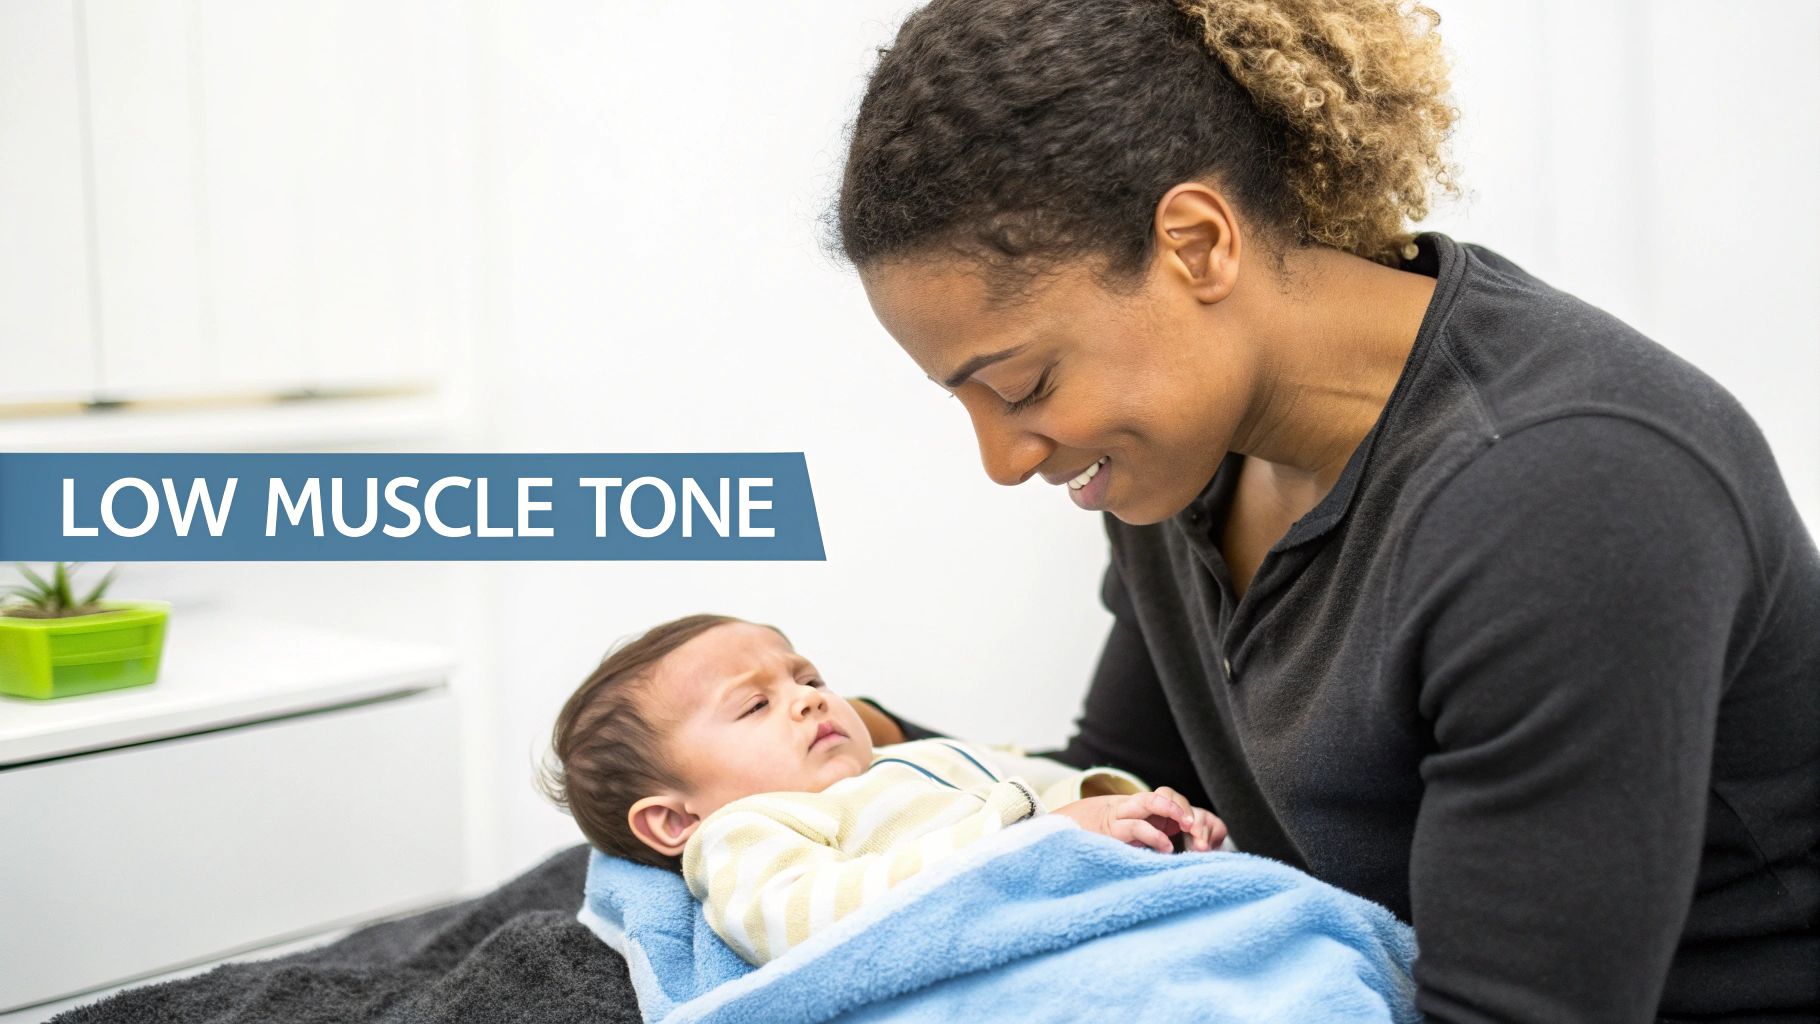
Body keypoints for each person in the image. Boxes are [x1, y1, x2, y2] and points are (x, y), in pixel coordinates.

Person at [827, 0, 1820, 1020]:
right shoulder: (1182, 461)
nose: (1002, 460)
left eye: (1025, 385)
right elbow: (1141, 792)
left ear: (1196, 245)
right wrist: (837, 745)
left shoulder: (1565, 493)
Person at [536, 613, 1227, 966]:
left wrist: (1133, 809)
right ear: (674, 821)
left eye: (808, 679)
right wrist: (1027, 837)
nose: (808, 699)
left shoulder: (914, 761)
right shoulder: (748, 833)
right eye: (755, 705)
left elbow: (1042, 785)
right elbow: (808, 920)